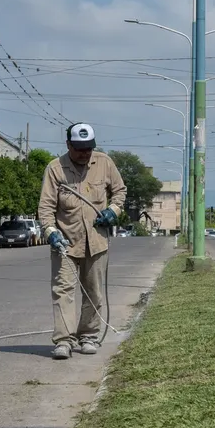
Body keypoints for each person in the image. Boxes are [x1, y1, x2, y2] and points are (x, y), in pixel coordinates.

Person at [38, 122, 127, 360]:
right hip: (65, 244)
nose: (84, 154)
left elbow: (120, 191)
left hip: (97, 242)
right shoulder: (55, 169)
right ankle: (64, 341)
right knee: (63, 291)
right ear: (68, 145)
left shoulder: (105, 163)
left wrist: (114, 211)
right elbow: (46, 207)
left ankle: (88, 336)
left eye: (88, 148)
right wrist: (50, 232)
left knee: (93, 292)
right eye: (79, 149)